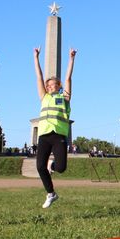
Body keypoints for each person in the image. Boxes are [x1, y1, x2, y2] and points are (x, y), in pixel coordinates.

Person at [33, 46, 76, 209]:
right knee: (39, 166)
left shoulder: (64, 98)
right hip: (44, 135)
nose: (50, 87)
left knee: (61, 168)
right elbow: (39, 76)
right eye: (48, 85)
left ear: (58, 86)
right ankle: (51, 193)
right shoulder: (44, 97)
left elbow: (68, 78)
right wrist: (36, 58)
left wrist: (71, 59)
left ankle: (53, 165)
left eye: (53, 85)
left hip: (58, 135)